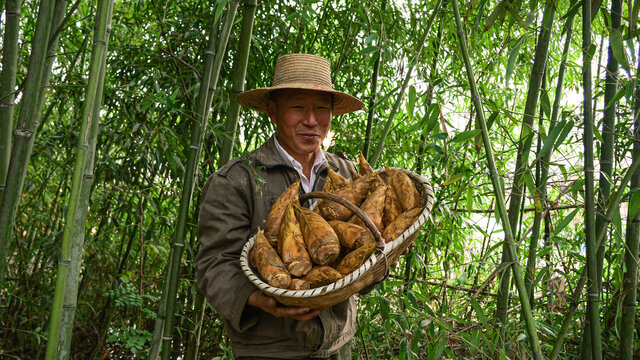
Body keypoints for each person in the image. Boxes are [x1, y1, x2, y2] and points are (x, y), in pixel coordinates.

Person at [195, 53, 366, 359]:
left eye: (321, 109)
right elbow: (214, 264)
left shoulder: (348, 174)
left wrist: (378, 260)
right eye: (298, 107)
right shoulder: (238, 180)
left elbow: (359, 260)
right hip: (269, 350)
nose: (311, 120)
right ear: (273, 111)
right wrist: (260, 299)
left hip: (338, 347)